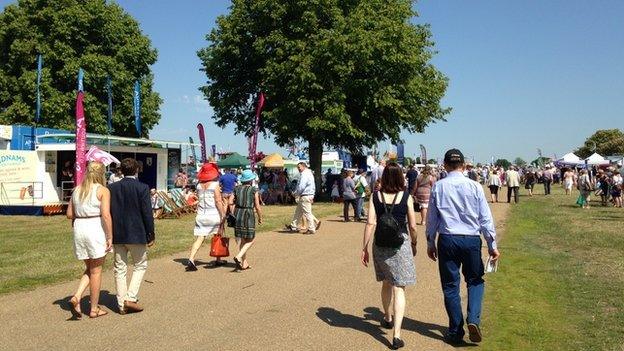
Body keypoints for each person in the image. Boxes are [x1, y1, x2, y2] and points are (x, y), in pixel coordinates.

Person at [426, 149, 500, 344]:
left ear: (445, 164)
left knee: (451, 285)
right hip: (471, 238)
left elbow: (432, 218)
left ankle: (456, 329)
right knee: (475, 280)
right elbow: (485, 218)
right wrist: (492, 244)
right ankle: (473, 319)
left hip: (448, 238)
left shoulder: (438, 187)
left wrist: (430, 242)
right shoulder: (475, 186)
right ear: (463, 165)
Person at [361, 162, 418, 350]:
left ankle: (387, 317)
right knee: (399, 288)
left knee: (386, 281)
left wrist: (365, 247)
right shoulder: (406, 197)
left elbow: (370, 223)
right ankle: (397, 335)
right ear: (401, 177)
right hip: (399, 244)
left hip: (380, 244)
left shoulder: (376, 196)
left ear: (383, 177)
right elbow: (412, 226)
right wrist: (414, 242)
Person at [66, 161, 113, 319]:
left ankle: (77, 296)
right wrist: (110, 236)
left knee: (90, 268)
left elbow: (69, 214)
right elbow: (106, 215)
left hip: (80, 228)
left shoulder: (77, 190)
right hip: (95, 227)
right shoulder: (102, 190)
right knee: (96, 270)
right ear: (101, 174)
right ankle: (94, 309)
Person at [108, 158, 155, 315]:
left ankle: (121, 304)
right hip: (137, 232)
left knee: (119, 268)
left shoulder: (112, 188)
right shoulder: (142, 188)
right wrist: (151, 233)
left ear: (121, 170)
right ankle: (130, 297)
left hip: (118, 233)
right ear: (136, 171)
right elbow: (147, 213)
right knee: (140, 265)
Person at [187, 163, 226, 270]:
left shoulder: (199, 186)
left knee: (200, 238)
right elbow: (218, 201)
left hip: (201, 214)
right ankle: (218, 259)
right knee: (217, 235)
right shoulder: (215, 185)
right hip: (213, 214)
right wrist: (223, 214)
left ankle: (191, 258)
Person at [230, 170, 263, 271]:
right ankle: (239, 256)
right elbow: (257, 206)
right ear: (251, 180)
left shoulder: (236, 188)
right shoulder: (254, 190)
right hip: (248, 214)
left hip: (238, 213)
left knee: (242, 240)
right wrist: (260, 217)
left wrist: (232, 211)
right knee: (251, 239)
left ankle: (244, 263)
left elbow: (230, 201)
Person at [285, 162, 320, 234]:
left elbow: (301, 186)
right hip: (307, 195)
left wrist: (296, 193)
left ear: (304, 166)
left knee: (307, 213)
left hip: (305, 195)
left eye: (299, 167)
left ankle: (311, 228)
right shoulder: (309, 173)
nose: (298, 169)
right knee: (298, 212)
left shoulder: (304, 174)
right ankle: (293, 226)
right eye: (298, 167)